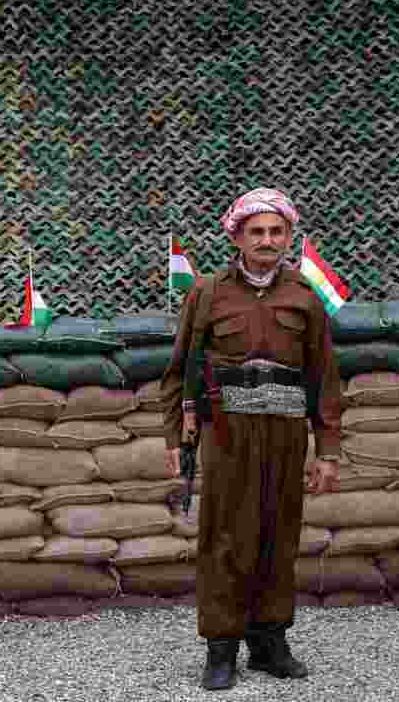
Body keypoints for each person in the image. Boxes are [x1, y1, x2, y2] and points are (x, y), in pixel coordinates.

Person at [161, 188, 343, 691]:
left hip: (285, 434)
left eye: (276, 231)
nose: (267, 240)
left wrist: (326, 450)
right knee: (224, 536)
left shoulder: (305, 296)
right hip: (226, 435)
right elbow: (178, 370)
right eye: (256, 231)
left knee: (278, 535)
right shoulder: (207, 293)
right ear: (237, 236)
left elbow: (325, 378)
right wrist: (175, 436)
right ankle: (221, 647)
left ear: (289, 237)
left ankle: (268, 642)